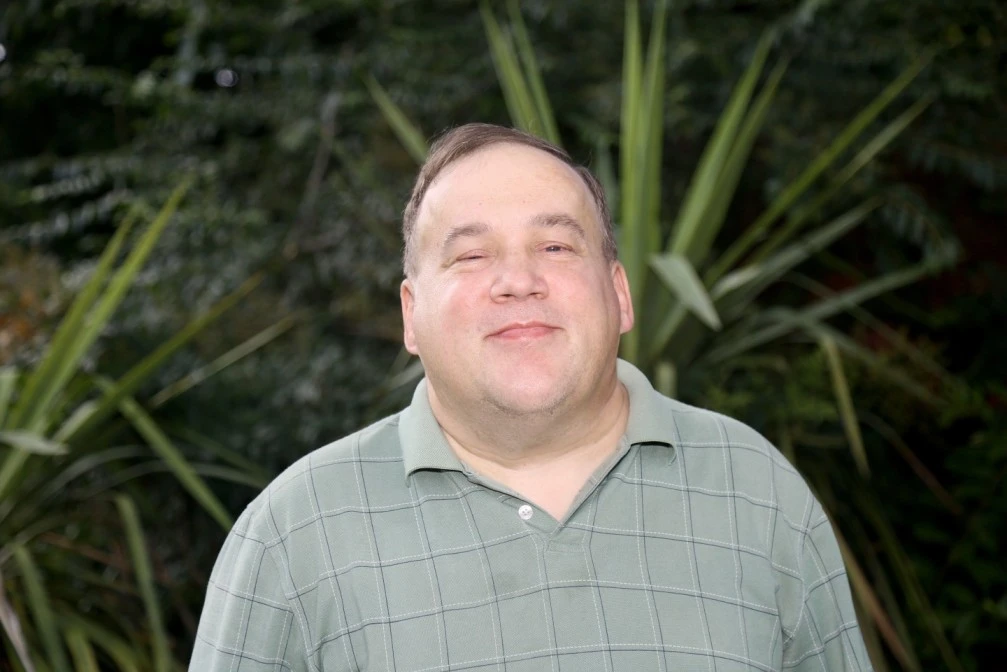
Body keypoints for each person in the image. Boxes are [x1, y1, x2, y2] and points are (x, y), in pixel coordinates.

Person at [190, 123, 871, 671]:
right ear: (410, 315)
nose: (518, 280)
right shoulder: (292, 536)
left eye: (554, 245)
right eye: (470, 255)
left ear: (620, 295)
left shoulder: (755, 492)